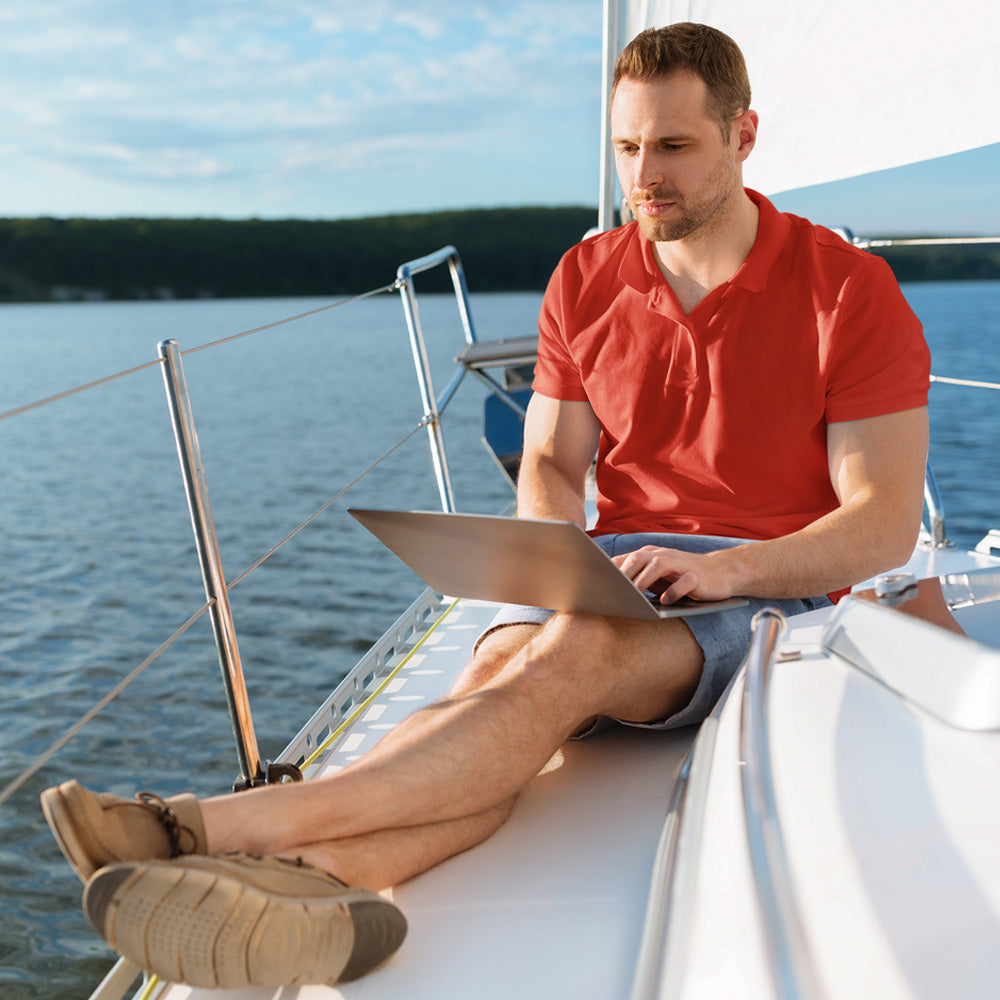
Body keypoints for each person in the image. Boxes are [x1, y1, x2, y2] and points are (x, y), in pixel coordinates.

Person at [41, 22, 930, 990]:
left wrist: (724, 569)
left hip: (764, 588)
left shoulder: (846, 292)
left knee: (574, 656)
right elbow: (549, 458)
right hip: (620, 564)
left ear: (743, 135)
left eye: (674, 146)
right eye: (626, 148)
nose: (645, 174)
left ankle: (207, 823)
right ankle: (338, 882)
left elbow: (880, 521)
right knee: (501, 682)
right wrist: (554, 560)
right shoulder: (585, 276)